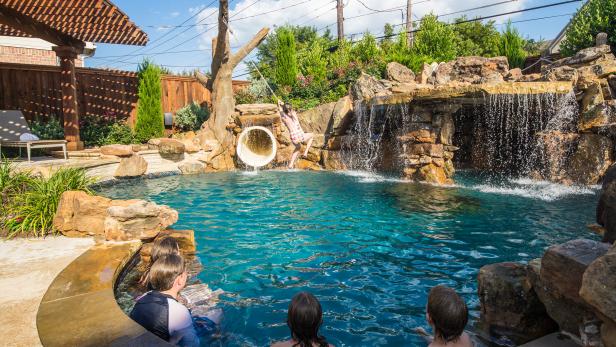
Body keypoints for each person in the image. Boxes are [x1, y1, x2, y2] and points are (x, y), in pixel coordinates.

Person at [130, 254, 200, 347]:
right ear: (179, 280)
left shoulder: (144, 297)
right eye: (185, 273)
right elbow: (192, 343)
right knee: (216, 315)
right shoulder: (179, 312)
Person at [277, 100, 314, 169]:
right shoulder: (293, 115)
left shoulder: (283, 118)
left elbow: (281, 111)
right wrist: (283, 104)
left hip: (293, 137)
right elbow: (290, 109)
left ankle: (290, 164)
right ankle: (305, 152)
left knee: (298, 147)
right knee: (312, 135)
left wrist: (279, 105)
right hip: (299, 134)